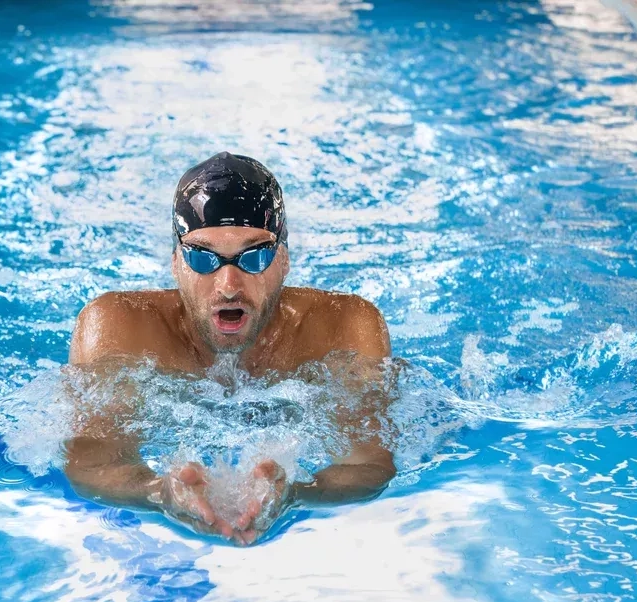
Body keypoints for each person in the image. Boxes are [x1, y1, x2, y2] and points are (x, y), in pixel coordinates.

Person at [64, 152, 396, 545]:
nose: (228, 285)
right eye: (203, 258)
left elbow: (371, 462)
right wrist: (158, 493)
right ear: (175, 262)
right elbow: (91, 460)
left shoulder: (342, 328)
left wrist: (298, 493)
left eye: (254, 256)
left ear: (285, 261)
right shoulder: (119, 328)